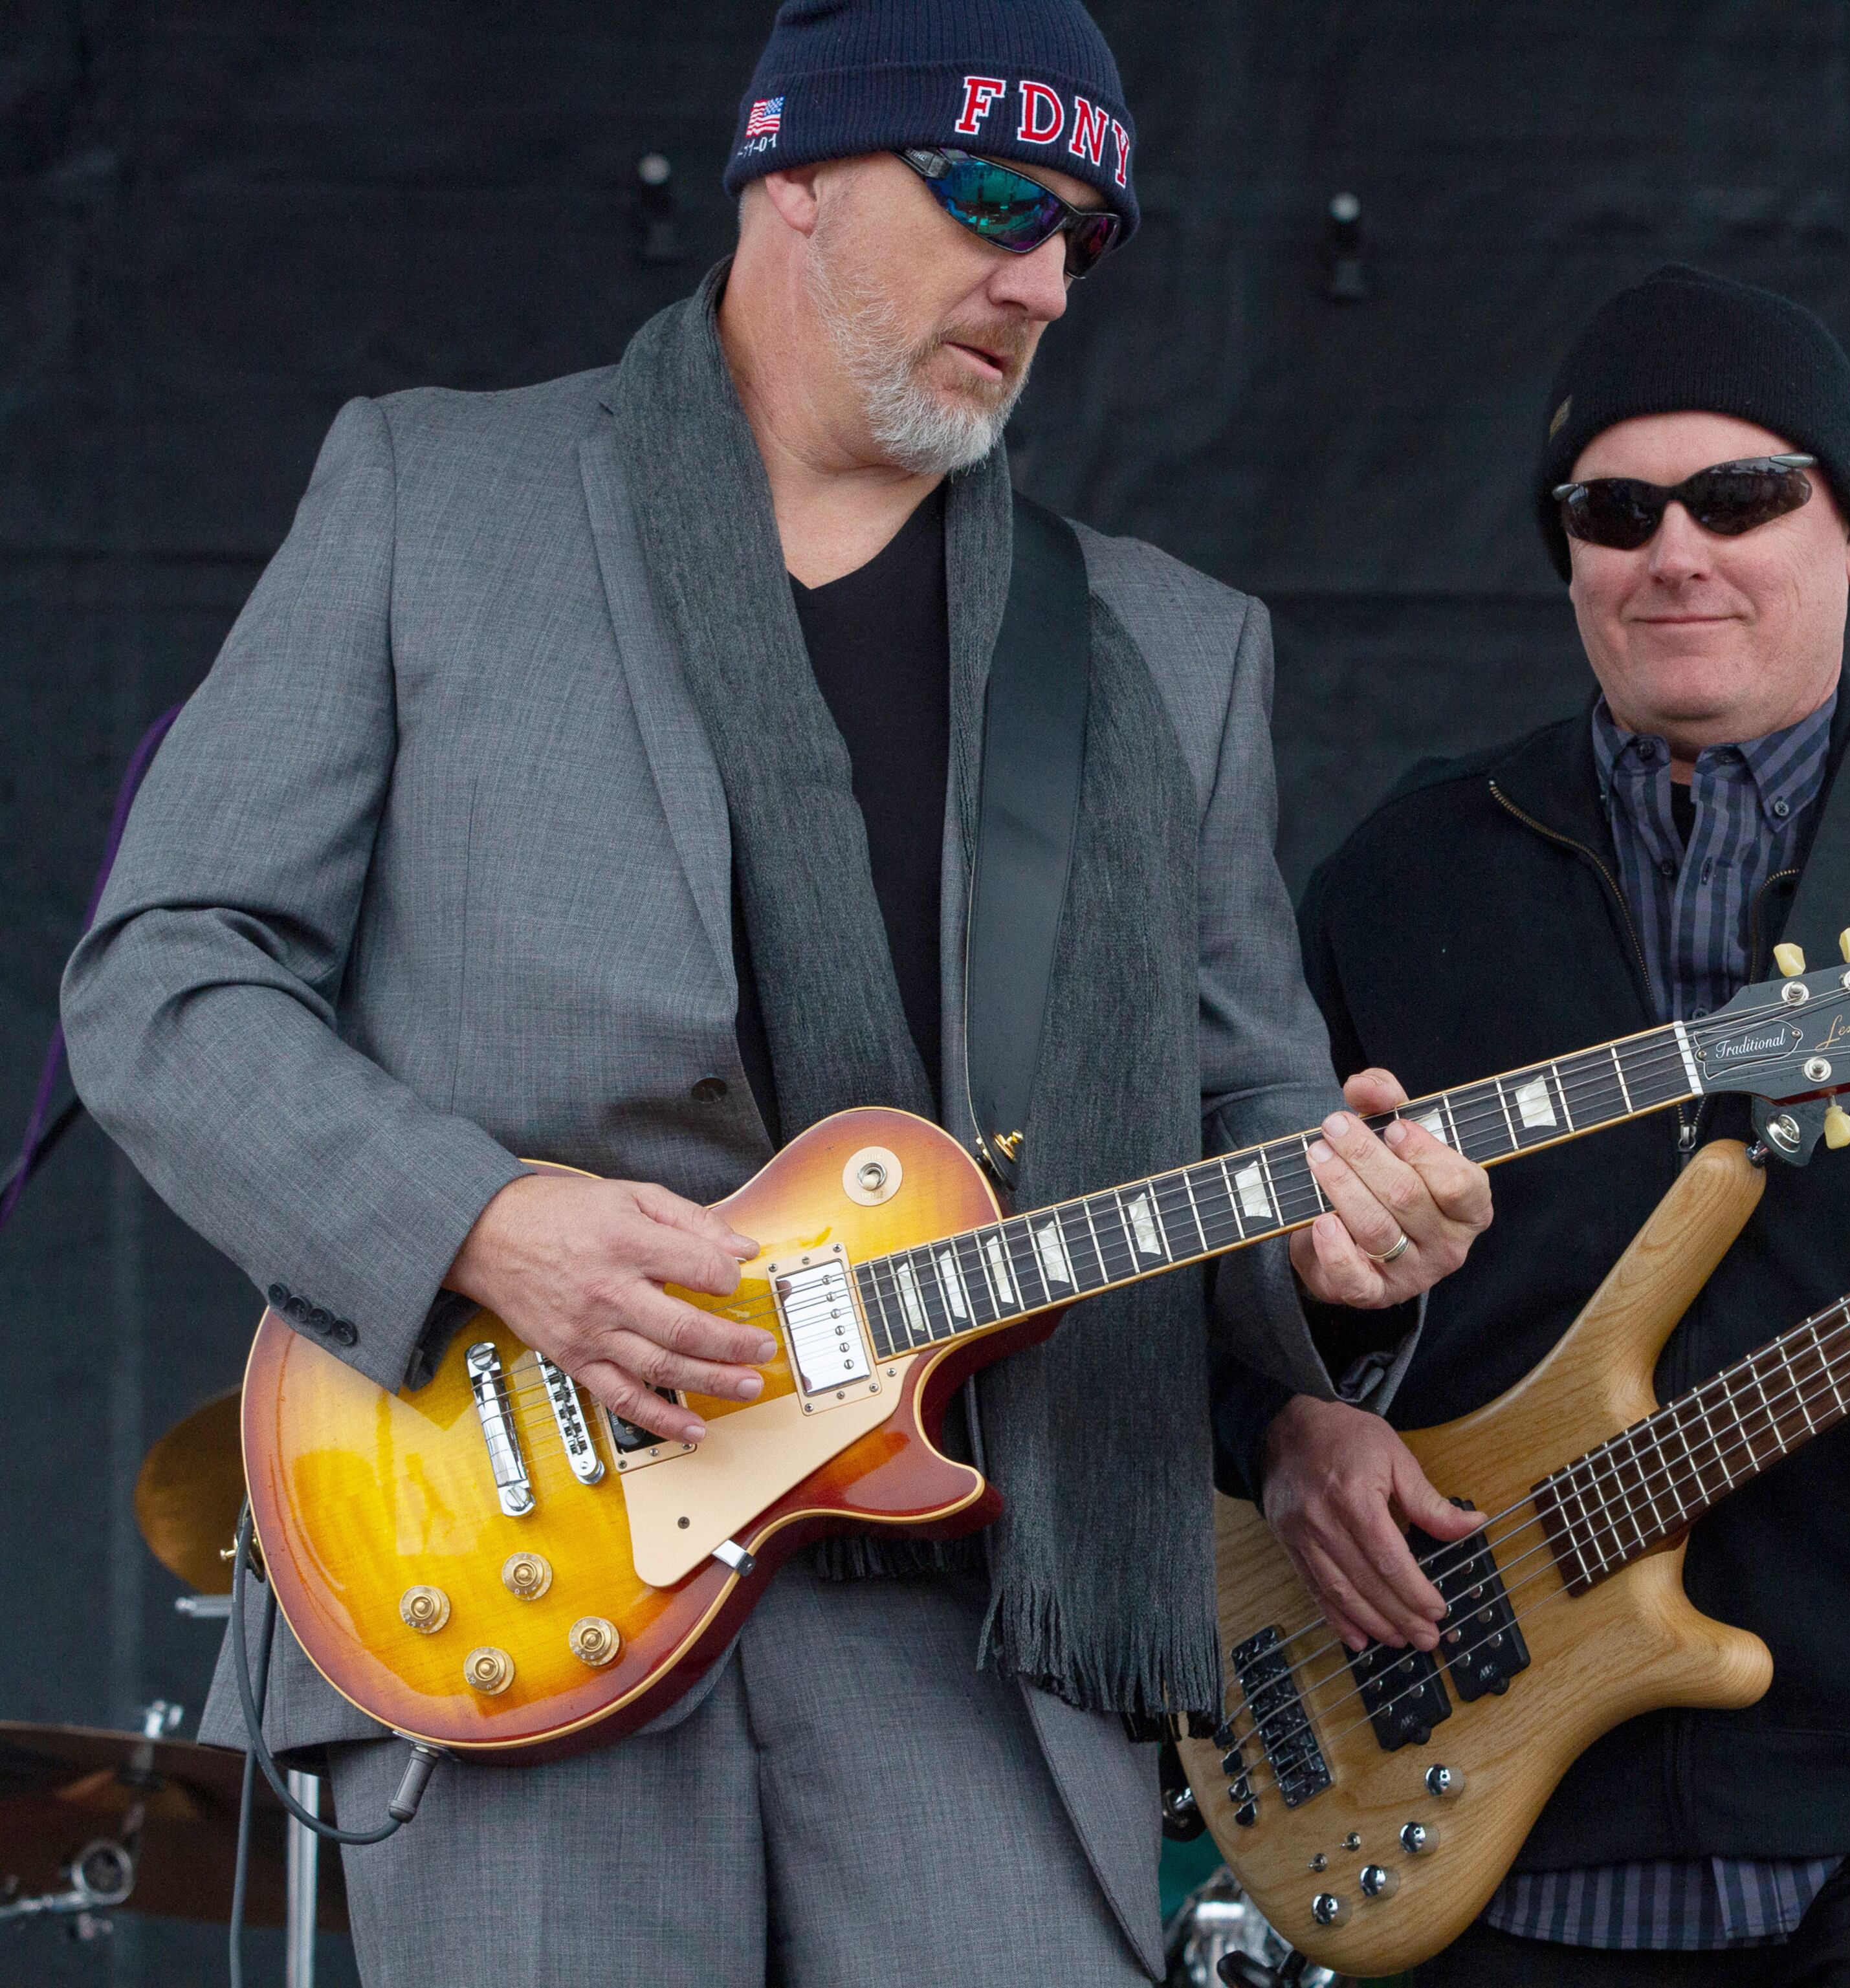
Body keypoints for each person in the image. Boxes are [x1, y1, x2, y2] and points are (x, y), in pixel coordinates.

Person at [59, 3, 1490, 1981]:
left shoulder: (1168, 648)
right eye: (997, 199)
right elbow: (166, 974)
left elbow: (1255, 1126)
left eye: (1091, 235)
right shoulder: (428, 501)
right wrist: (489, 1222)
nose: (1046, 279)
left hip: (983, 1616)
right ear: (790, 175)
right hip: (524, 1576)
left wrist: (1347, 1257)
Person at [1213, 265, 1850, 1986]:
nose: (1675, 549)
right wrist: (1278, 1424)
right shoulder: (1403, 880)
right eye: (1615, 509)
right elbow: (1233, 1263)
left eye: (1744, 494)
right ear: (1568, 556)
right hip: (1488, 1801)